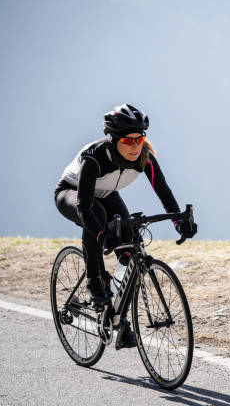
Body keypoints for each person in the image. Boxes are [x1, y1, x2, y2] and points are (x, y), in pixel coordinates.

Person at [54, 104, 197, 349]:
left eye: (140, 138)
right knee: (96, 217)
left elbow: (163, 191)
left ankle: (117, 315)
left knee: (131, 243)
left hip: (107, 193)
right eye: (128, 140)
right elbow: (84, 208)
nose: (135, 145)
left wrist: (179, 221)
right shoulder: (95, 157)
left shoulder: (144, 157)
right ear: (114, 139)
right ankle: (95, 285)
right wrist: (102, 236)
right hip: (73, 193)